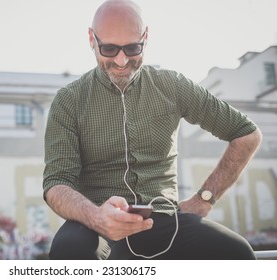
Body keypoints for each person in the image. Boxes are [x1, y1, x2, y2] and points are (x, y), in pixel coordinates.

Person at [42, 0, 262, 260]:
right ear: (91, 39)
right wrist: (96, 216)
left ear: (145, 37)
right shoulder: (69, 100)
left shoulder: (172, 86)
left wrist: (204, 199)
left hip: (164, 219)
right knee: (69, 250)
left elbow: (246, 134)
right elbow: (56, 183)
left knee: (237, 253)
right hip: (95, 222)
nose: (122, 60)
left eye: (133, 47)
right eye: (109, 48)